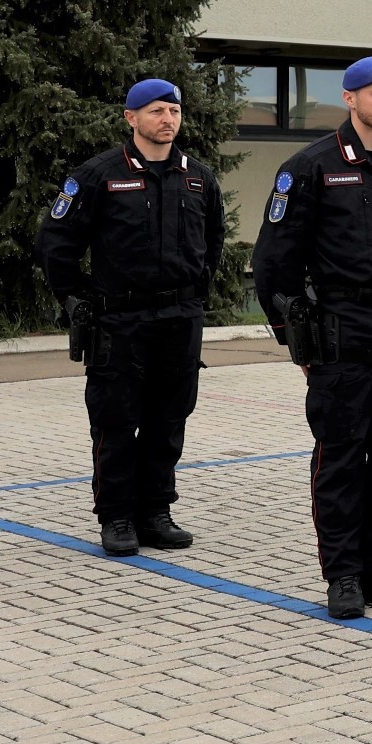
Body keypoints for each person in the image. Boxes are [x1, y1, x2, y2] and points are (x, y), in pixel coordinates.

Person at [250, 57, 372, 619]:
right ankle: (343, 574)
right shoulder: (311, 166)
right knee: (340, 452)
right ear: (350, 99)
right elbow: (274, 263)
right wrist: (297, 337)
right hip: (342, 325)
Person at [35, 78, 228, 556]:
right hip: (118, 318)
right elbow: (56, 244)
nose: (167, 120)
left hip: (179, 317)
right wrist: (76, 300)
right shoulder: (98, 175)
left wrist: (192, 294)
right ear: (132, 118)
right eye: (157, 111)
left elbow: (214, 241)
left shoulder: (198, 177)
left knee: (169, 418)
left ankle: (156, 511)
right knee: (116, 420)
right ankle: (117, 516)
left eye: (174, 112)